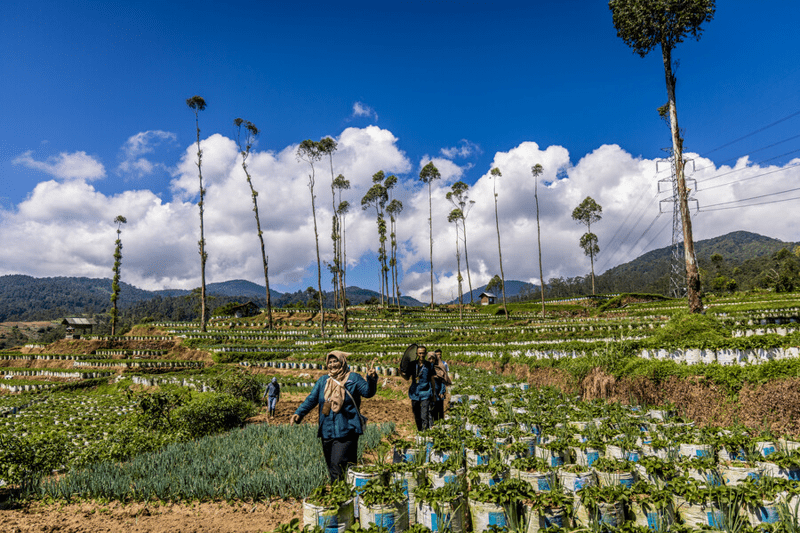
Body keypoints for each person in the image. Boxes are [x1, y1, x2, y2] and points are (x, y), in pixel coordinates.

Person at [291, 351, 378, 483]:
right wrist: (299, 413)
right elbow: (311, 399)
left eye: (335, 361)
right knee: (335, 468)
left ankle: (338, 496)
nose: (332, 364)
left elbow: (368, 392)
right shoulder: (323, 381)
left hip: (346, 430)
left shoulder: (353, 378)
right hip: (327, 431)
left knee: (337, 467)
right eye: (330, 362)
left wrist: (371, 379)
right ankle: (346, 495)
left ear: (342, 362)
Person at [407, 345, 435, 431]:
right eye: (420, 353)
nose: (422, 355)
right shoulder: (412, 365)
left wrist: (433, 394)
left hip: (425, 393)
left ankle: (425, 433)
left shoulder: (429, 365)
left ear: (426, 354)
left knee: (424, 415)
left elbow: (432, 380)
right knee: (416, 414)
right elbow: (406, 378)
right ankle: (420, 431)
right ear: (416, 354)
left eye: (423, 353)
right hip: (414, 393)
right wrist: (401, 372)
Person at [431, 349, 451, 422]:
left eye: (440, 354)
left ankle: (441, 422)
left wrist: (442, 391)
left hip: (440, 386)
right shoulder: (432, 364)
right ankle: (435, 422)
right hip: (433, 388)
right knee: (434, 406)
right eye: (437, 355)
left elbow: (444, 379)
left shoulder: (443, 364)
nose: (438, 356)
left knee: (440, 406)